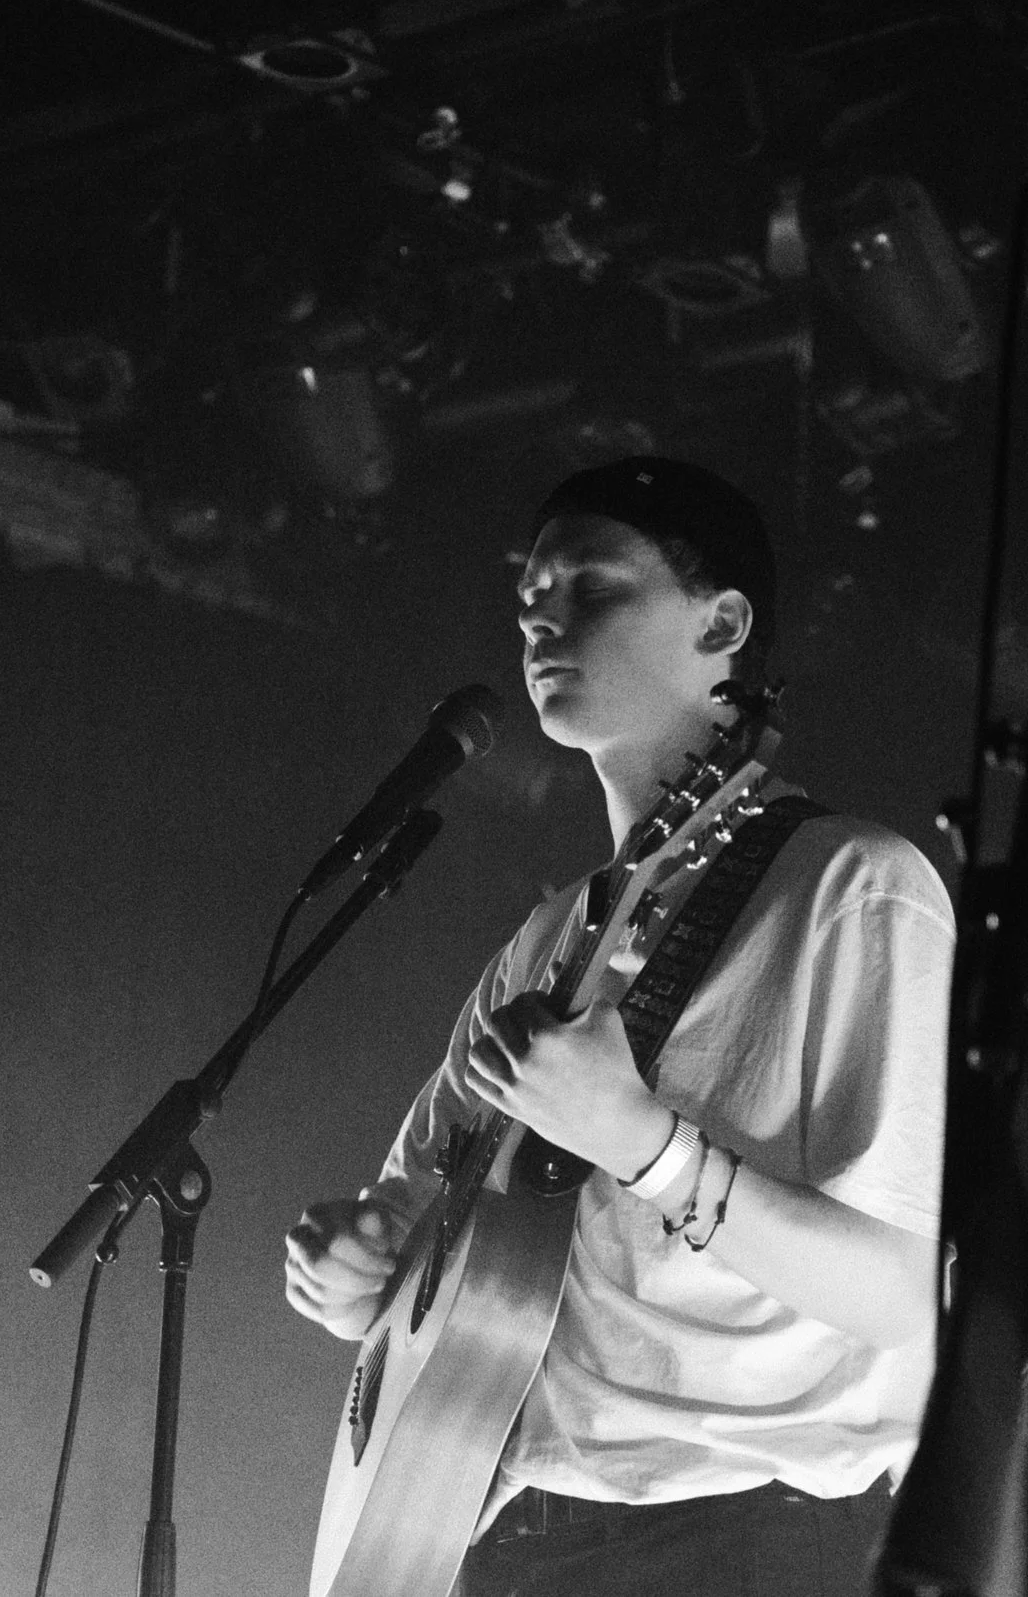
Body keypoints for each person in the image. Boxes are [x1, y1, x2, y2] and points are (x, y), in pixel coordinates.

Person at [284, 456, 953, 1597]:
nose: (539, 619)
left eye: (589, 586)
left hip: (745, 1535)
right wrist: (353, 1274)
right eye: (529, 597)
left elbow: (895, 1292)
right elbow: (416, 1223)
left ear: (722, 624)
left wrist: (644, 1141)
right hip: (500, 1525)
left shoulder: (853, 887)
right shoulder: (545, 941)